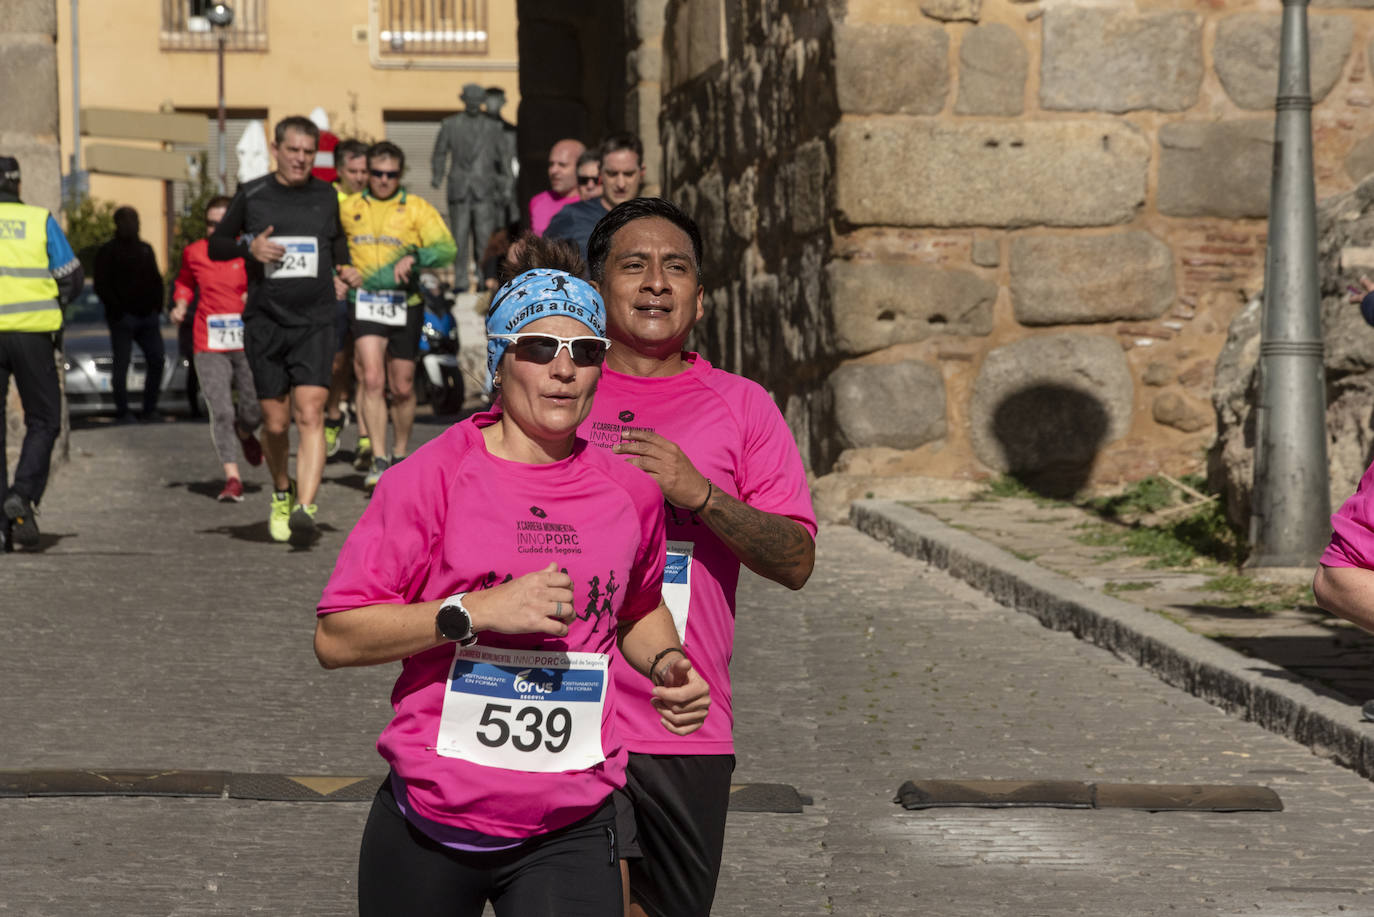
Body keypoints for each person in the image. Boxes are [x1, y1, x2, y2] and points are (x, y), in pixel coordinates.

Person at [314, 268, 711, 916]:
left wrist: (669, 664)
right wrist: (475, 611)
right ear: (499, 362)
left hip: (573, 819)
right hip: (430, 817)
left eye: (585, 351)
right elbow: (336, 637)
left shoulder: (631, 493)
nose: (564, 369)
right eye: (538, 347)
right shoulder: (429, 478)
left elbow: (637, 607)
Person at [580, 199, 817, 917]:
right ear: (597, 287)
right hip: (561, 706)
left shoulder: (743, 406)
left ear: (700, 297)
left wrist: (703, 496)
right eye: (635, 265)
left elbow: (796, 559)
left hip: (681, 718)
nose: (657, 282)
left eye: (676, 267)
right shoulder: (558, 391)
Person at [209, 114, 361, 545]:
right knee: (275, 424)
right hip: (267, 322)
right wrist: (249, 247)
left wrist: (346, 268)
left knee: (310, 413)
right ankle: (282, 490)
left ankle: (305, 508)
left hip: (315, 320)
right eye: (292, 150)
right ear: (276, 150)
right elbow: (217, 245)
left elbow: (336, 242)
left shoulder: (326, 195)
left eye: (308, 152)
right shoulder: (253, 193)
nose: (300, 158)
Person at [341, 141, 457, 491]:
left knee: (403, 387)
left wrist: (417, 256)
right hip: (364, 301)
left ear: (399, 175)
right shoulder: (349, 207)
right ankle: (379, 458)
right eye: (377, 173)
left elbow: (446, 248)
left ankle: (400, 454)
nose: (383, 180)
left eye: (391, 174)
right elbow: (332, 245)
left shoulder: (416, 208)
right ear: (368, 173)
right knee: (372, 378)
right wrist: (340, 271)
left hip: (405, 303)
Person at [0, 155, 83, 551]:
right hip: (33, 334)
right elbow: (72, 277)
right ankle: (22, 493)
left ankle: (3, 526)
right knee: (46, 419)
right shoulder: (38, 220)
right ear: (18, 185)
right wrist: (55, 303)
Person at [171, 195, 264, 502]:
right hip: (208, 341)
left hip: (246, 339)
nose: (215, 229)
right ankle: (232, 478)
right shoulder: (195, 252)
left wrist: (253, 296)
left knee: (253, 408)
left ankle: (246, 432)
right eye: (211, 224)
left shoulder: (249, 252)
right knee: (221, 410)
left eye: (222, 223)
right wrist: (180, 304)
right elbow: (185, 282)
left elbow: (265, 284)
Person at [432, 83, 507, 292]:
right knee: (459, 238)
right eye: (470, 100)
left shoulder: (494, 127)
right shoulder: (450, 124)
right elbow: (440, 152)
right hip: (459, 189)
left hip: (485, 189)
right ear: (463, 100)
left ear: (482, 101)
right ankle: (461, 281)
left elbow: (504, 158)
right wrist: (437, 175)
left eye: (477, 100)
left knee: (484, 239)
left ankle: (485, 280)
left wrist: (506, 184)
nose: (473, 104)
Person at [94, 206, 165, 421]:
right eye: (128, 220)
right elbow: (102, 285)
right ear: (118, 224)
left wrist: (157, 306)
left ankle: (149, 408)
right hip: (123, 318)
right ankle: (123, 410)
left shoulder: (145, 249)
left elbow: (156, 280)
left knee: (157, 359)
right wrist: (117, 309)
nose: (133, 225)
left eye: (135, 220)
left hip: (147, 316)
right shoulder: (108, 251)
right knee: (122, 363)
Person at [325, 138, 371, 465]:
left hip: (370, 291)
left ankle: (367, 438)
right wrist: (331, 277)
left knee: (366, 364)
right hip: (338, 289)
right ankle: (333, 413)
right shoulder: (327, 199)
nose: (360, 177)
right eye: (353, 171)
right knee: (337, 363)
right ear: (339, 170)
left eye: (364, 171)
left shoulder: (375, 200)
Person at [545, 134, 645, 261]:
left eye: (628, 174)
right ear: (600, 172)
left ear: (642, 172)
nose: (621, 184)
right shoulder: (572, 216)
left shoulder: (655, 220)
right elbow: (542, 263)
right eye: (612, 174)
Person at [528, 139, 585, 236]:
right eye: (551, 164)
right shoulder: (537, 201)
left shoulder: (590, 202)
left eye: (562, 165)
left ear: (581, 167)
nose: (553, 171)